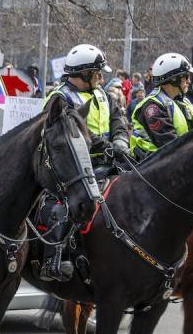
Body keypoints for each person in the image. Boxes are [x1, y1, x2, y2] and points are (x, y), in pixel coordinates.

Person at [38, 43, 129, 282]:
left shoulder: (104, 95)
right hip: (72, 165)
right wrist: (108, 148)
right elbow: (77, 130)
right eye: (98, 73)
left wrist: (120, 141)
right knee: (63, 206)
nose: (101, 77)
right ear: (84, 74)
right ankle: (54, 259)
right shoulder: (59, 99)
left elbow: (118, 120)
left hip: (109, 160)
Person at [130, 53, 193, 159]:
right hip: (153, 166)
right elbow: (170, 144)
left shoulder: (183, 101)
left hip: (180, 162)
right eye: (186, 77)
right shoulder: (152, 106)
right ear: (174, 79)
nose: (189, 81)